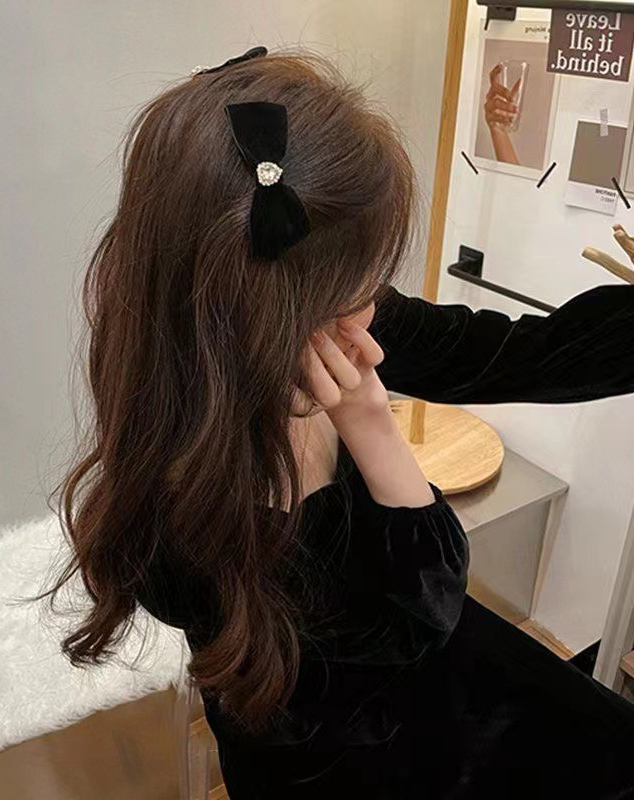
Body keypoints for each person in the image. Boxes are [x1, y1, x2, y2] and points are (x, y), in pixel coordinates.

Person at [39, 46, 634, 797]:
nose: (377, 298)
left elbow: (515, 355)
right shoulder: (199, 501)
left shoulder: (327, 323)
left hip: (431, 680)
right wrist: (372, 427)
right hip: (341, 753)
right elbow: (420, 617)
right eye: (365, 275)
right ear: (287, 300)